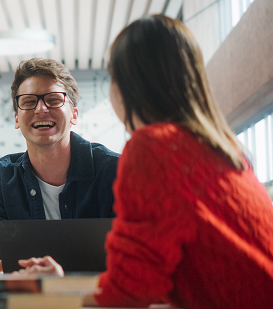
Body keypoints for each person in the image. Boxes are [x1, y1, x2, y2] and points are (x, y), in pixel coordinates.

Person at [18, 15, 273, 308]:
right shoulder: (223, 148)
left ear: (127, 86)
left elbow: (130, 292)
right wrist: (65, 285)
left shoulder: (153, 148)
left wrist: (54, 295)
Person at [0, 58, 119, 274]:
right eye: (29, 101)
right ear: (16, 118)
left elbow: (135, 266)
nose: (41, 109)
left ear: (74, 115)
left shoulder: (114, 171)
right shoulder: (4, 178)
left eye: (53, 99)